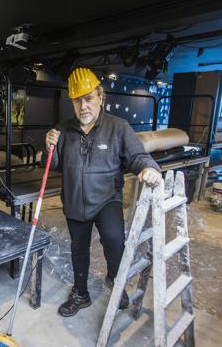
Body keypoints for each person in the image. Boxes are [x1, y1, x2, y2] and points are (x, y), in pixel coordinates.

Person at [43, 67, 162, 317]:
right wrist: (49, 148)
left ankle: (115, 281)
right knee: (78, 248)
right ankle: (81, 294)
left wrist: (149, 168)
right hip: (75, 200)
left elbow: (138, 156)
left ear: (101, 97)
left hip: (108, 199)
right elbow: (52, 166)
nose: (83, 106)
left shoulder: (118, 127)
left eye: (89, 99)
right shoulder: (63, 130)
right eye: (78, 101)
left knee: (114, 241)